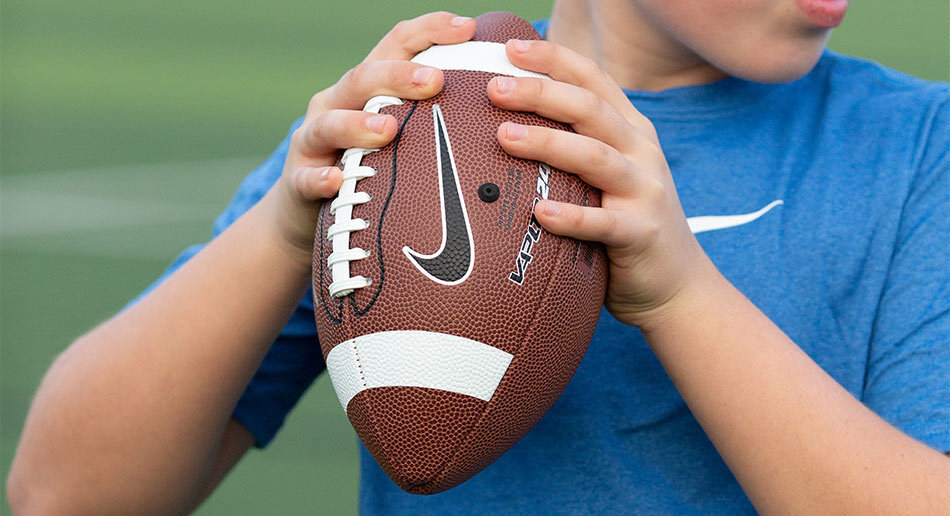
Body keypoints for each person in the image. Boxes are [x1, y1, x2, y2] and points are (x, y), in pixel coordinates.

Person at [7, 2, 949, 514]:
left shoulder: (917, 149)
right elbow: (65, 494)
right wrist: (282, 233)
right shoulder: (412, 123)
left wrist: (680, 298)